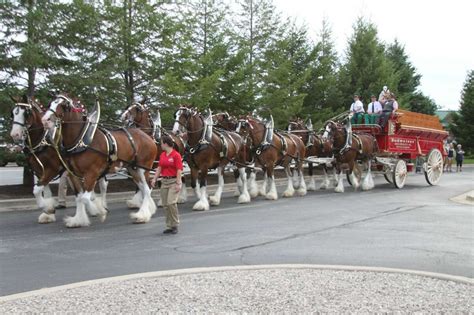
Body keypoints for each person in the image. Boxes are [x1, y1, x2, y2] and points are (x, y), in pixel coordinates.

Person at [151, 135, 183, 234]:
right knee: (165, 205)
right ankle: (169, 225)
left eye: (161, 143)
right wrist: (154, 178)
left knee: (171, 203)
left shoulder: (176, 155)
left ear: (165, 144)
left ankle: (175, 224)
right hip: (164, 181)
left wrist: (178, 182)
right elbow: (160, 168)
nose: (160, 145)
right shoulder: (163, 155)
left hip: (173, 181)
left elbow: (179, 170)